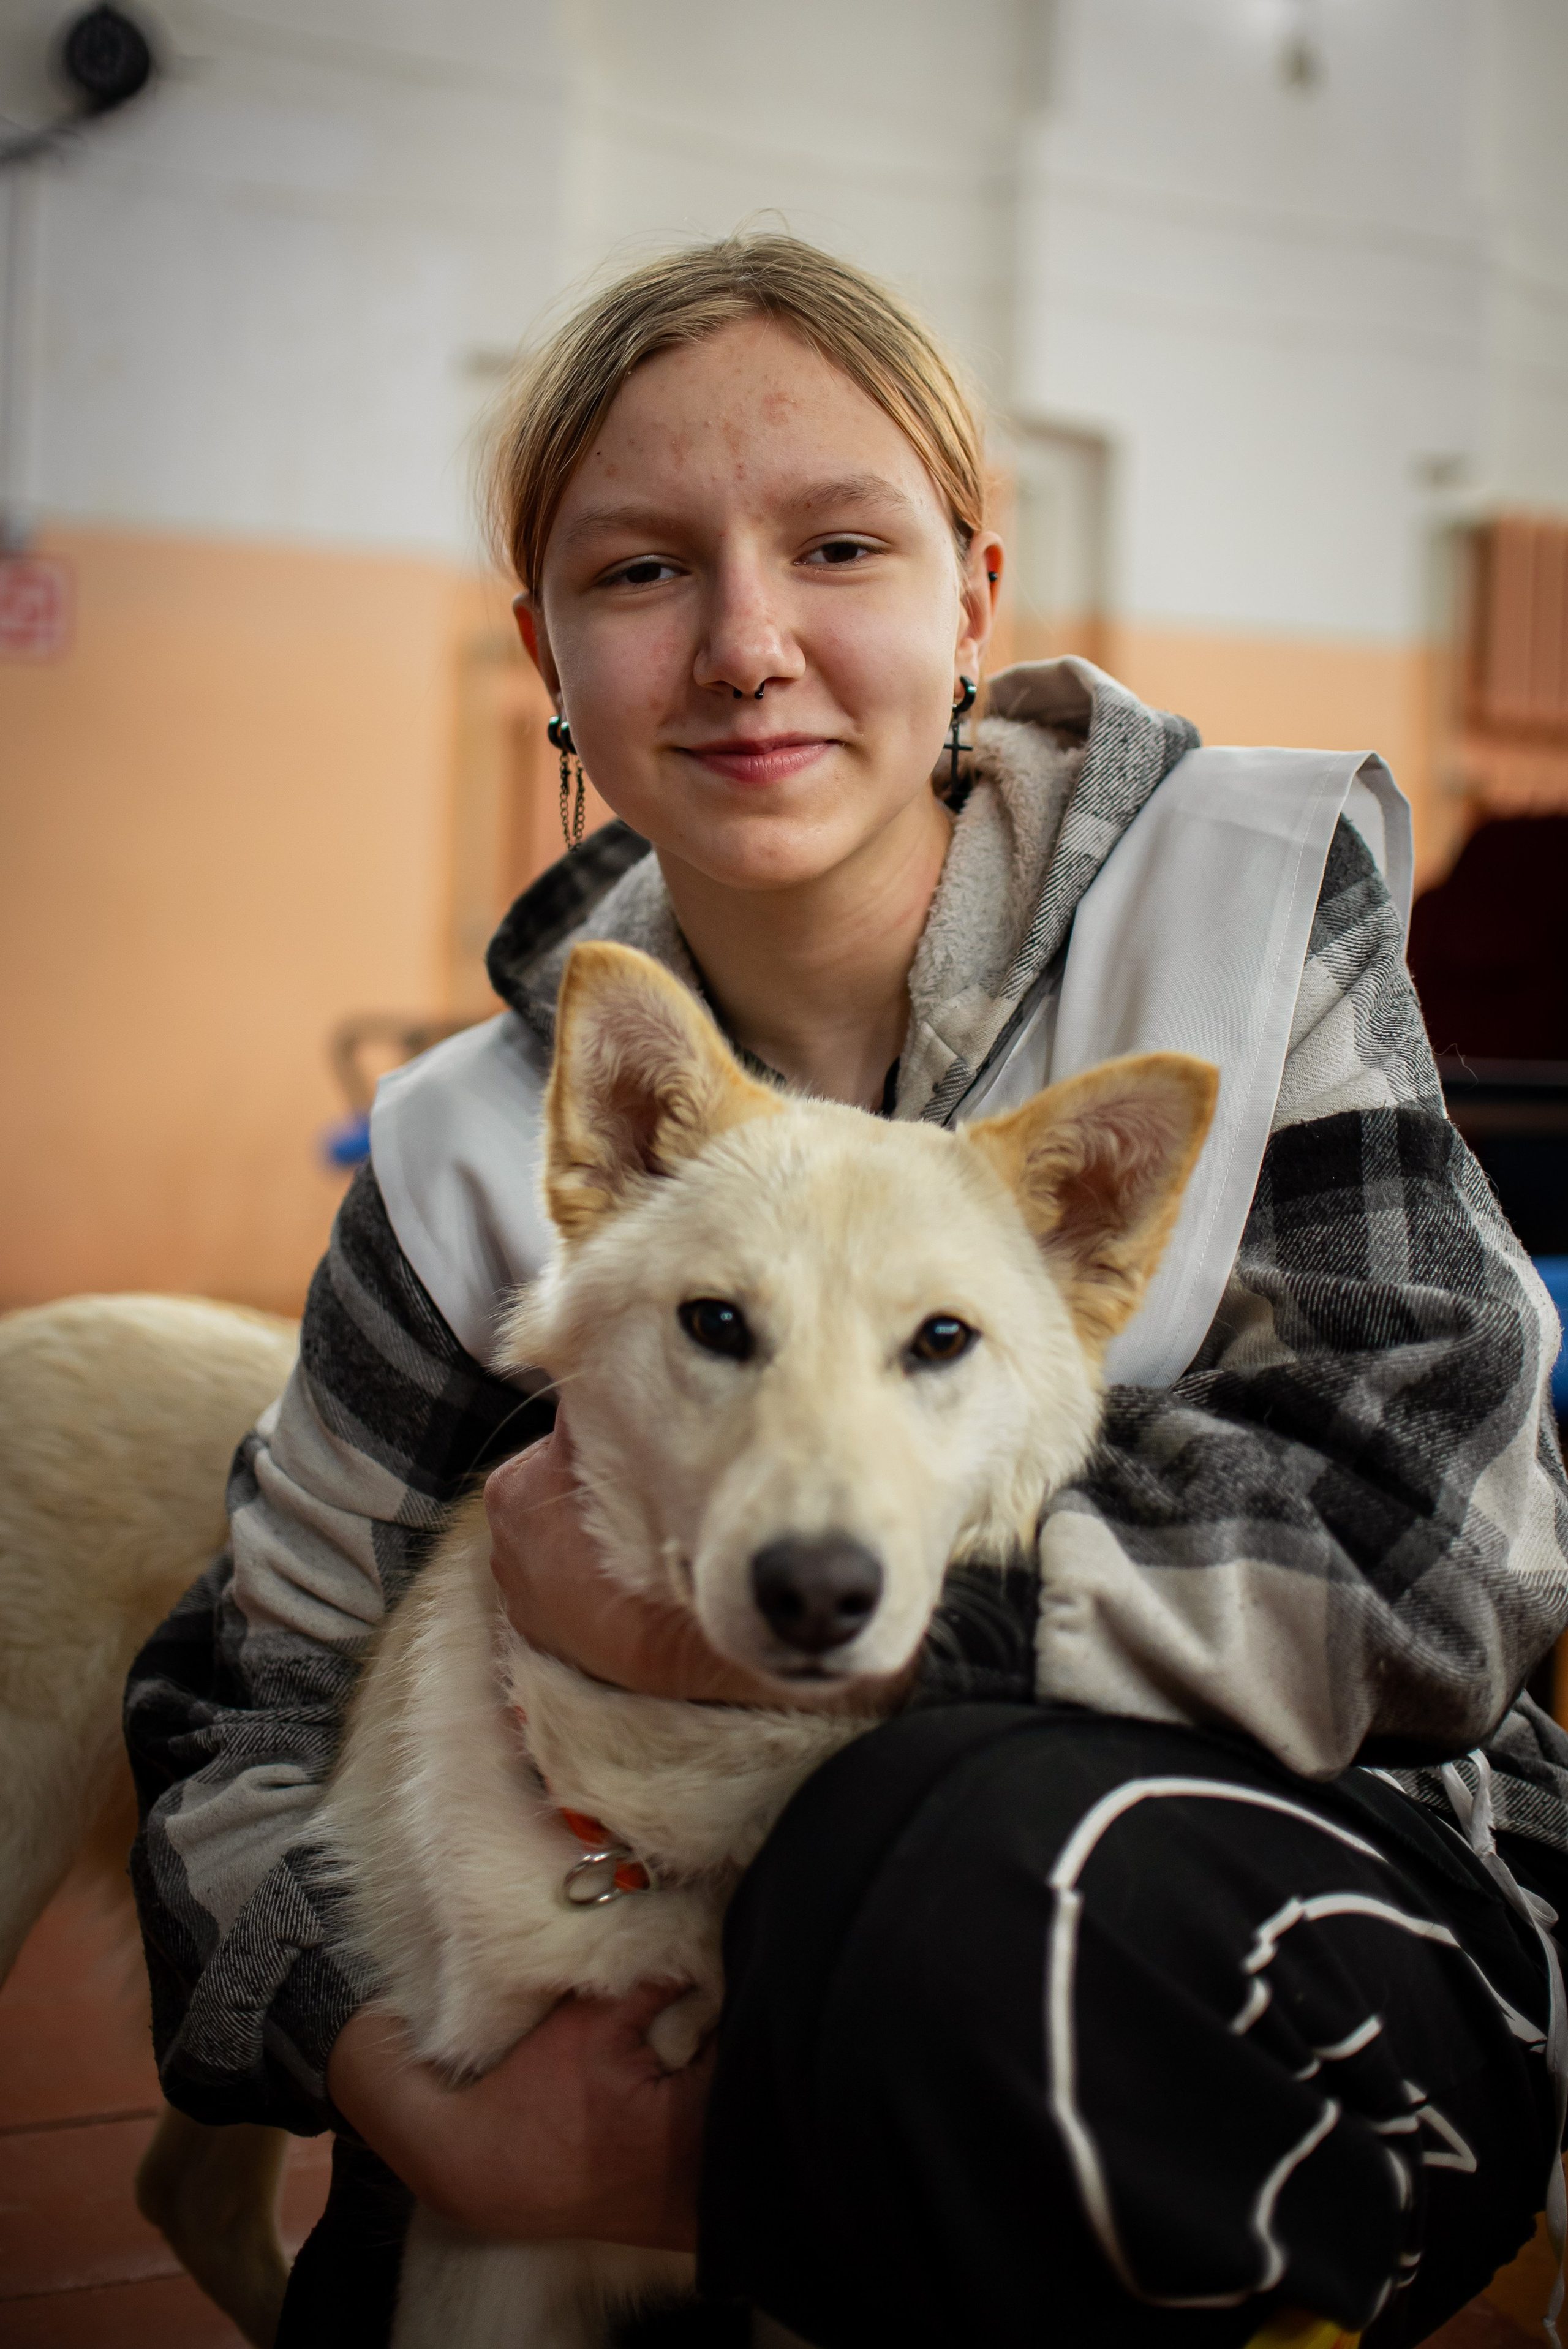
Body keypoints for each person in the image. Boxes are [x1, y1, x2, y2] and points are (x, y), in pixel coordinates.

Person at [127, 234, 1568, 2349]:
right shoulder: (478, 1139)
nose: (744, 643)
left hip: (1291, 1927)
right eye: (639, 574)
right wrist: (426, 2111)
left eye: (837, 543)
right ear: (545, 648)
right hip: (656, 1990)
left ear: (971, 594)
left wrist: (786, 1628)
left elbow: (1446, 1551)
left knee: (920, 1864)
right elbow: (239, 1697)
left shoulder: (1236, 911)